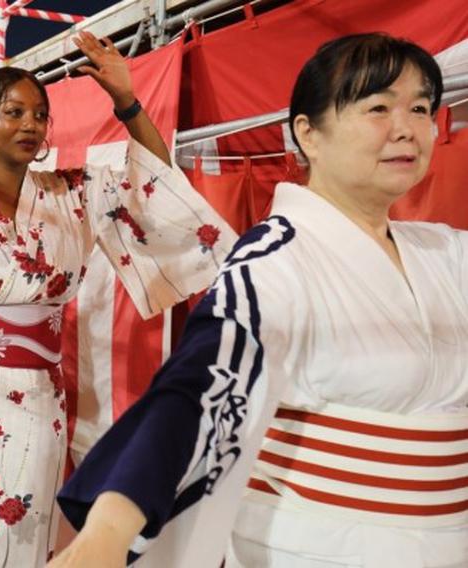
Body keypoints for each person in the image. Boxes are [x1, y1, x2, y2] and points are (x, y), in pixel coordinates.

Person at [50, 33, 466, 568]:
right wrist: (106, 532)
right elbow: (202, 379)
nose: (407, 127)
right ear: (307, 135)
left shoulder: (449, 253)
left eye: (421, 108)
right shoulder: (277, 260)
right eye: (378, 107)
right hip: (314, 550)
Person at [0, 31, 236, 567]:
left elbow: (155, 184)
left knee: (20, 536)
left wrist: (127, 100)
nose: (29, 124)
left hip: (35, 401)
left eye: (39, 114)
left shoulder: (74, 193)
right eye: (13, 112)